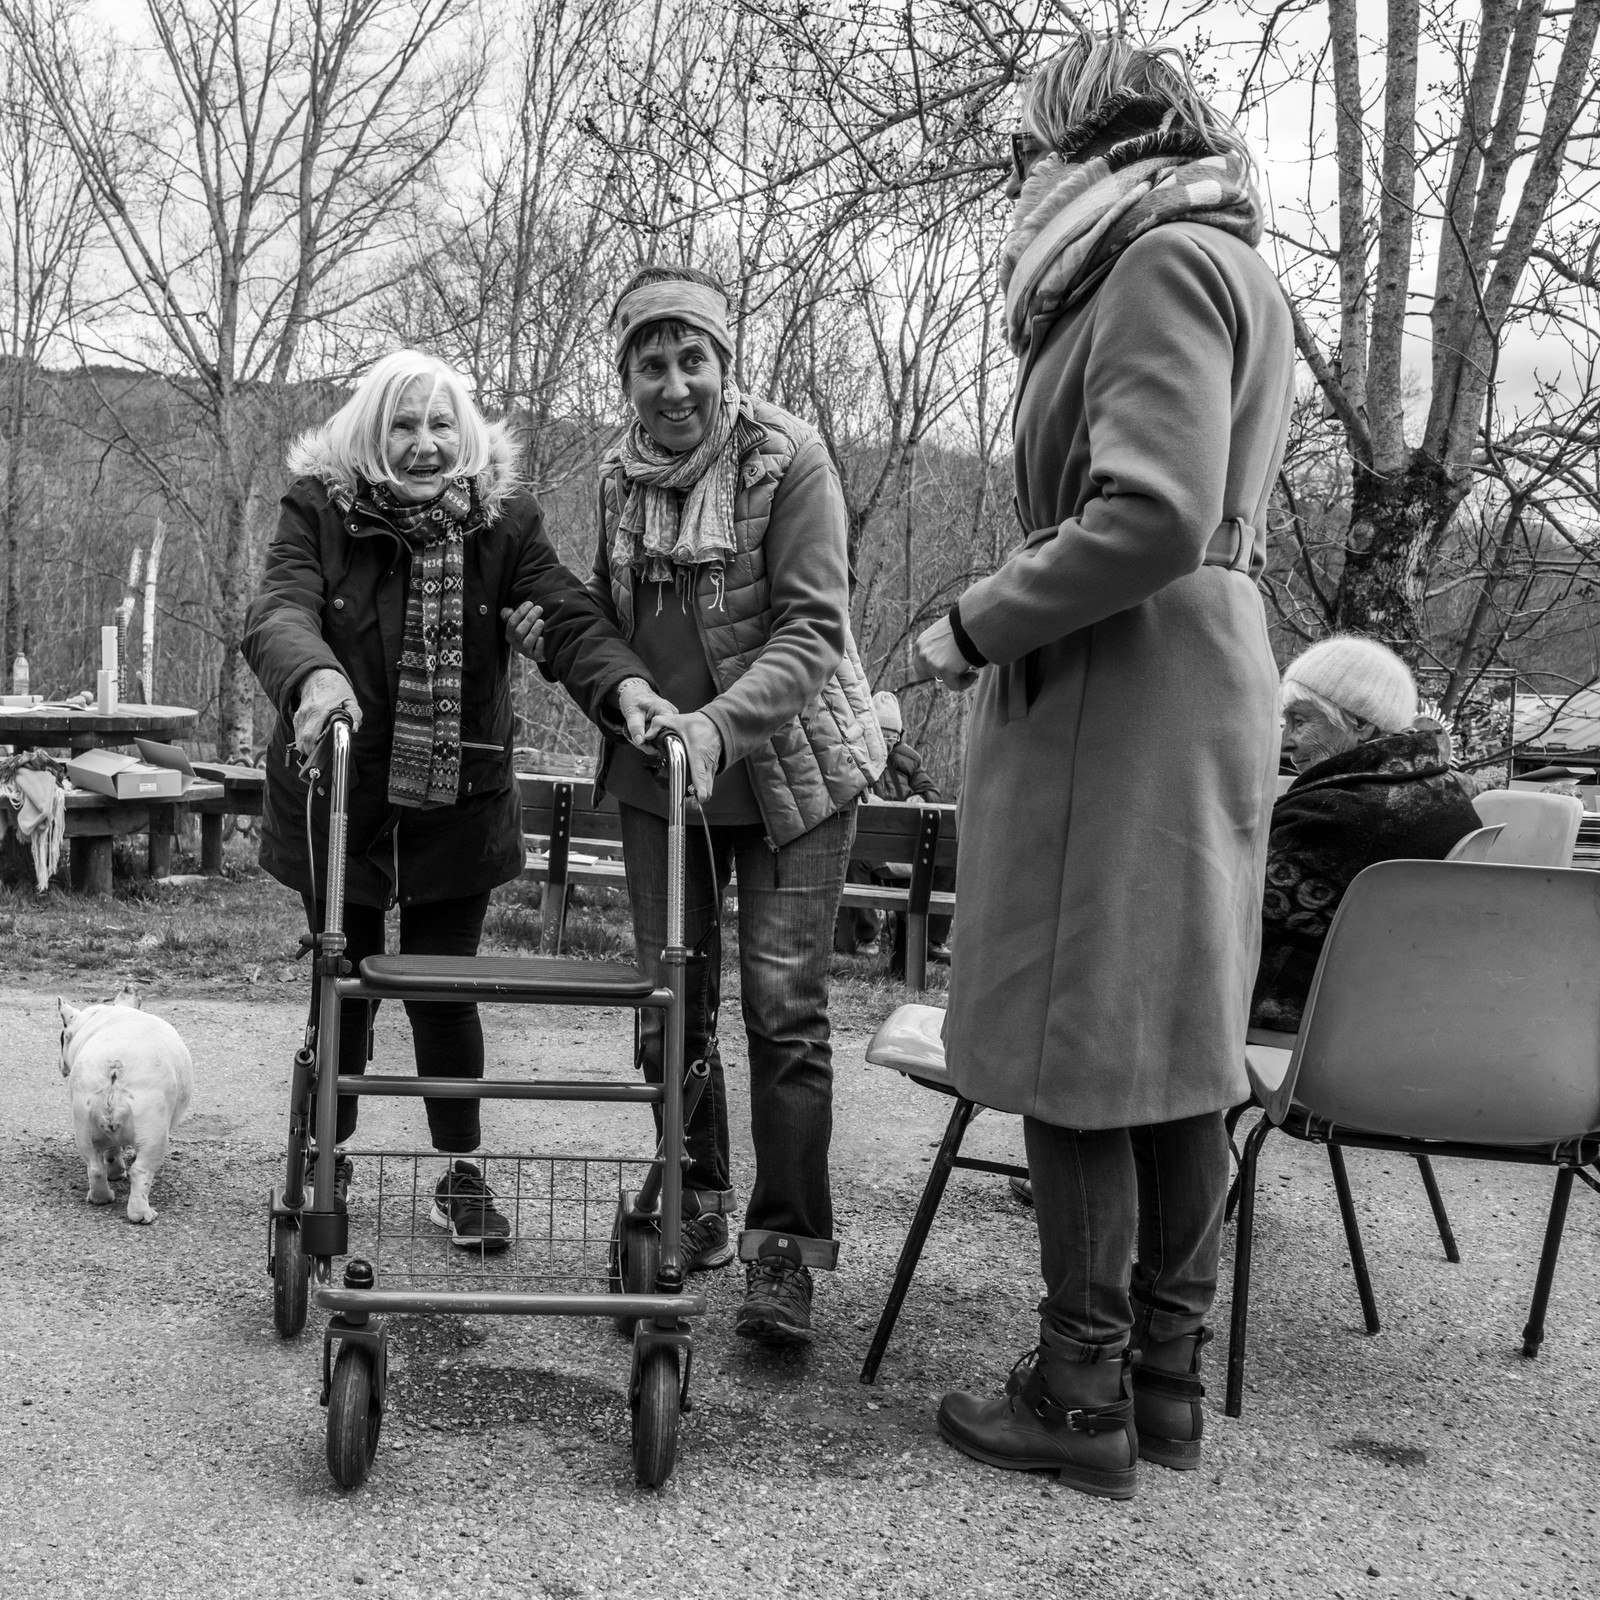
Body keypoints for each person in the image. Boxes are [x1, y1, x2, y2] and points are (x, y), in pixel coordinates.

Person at [913, 33, 1294, 1498]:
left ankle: (1080, 1397)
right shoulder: (1222, 262)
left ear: (1094, 139)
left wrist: (973, 623)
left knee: (1081, 1048)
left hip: (1119, 689)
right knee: (1177, 1045)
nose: (1016, 172)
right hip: (1191, 672)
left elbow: (1147, 514)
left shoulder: (1154, 265)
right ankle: (1162, 1379)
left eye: (1028, 145)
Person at [242, 349, 668, 1250]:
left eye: (441, 424)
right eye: (404, 424)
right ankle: (331, 1154)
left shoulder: (503, 522)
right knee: (343, 981)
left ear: (466, 433)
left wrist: (624, 691)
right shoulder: (319, 509)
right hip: (340, 788)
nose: (425, 444)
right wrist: (314, 677)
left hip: (456, 798)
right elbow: (280, 607)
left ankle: (457, 1170)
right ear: (370, 431)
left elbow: (567, 618)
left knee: (444, 989)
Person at [557, 262, 884, 1346]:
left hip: (789, 776)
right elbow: (604, 618)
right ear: (627, 377)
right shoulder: (614, 480)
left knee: (782, 1013)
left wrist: (715, 727)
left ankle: (782, 1250)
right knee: (670, 1006)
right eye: (650, 363)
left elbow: (811, 631)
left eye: (691, 357)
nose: (673, 382)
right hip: (664, 786)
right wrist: (591, 670)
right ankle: (693, 1205)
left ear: (724, 363)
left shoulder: (787, 458)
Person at [1252, 636, 1482, 1033]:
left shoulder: (1335, 813)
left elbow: (1234, 916)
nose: (1286, 741)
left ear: (1360, 721)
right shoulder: (1442, 787)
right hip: (1394, 1013)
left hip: (1304, 1016)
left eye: (1300, 721)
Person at [834, 691, 955, 963]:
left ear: (900, 734)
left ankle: (931, 941)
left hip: (910, 854)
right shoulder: (855, 754)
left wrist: (921, 797)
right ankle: (867, 936)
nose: (888, 741)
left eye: (893, 735)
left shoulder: (910, 760)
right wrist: (863, 797)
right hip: (873, 856)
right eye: (883, 733)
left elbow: (933, 793)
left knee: (948, 860)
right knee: (854, 856)